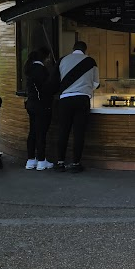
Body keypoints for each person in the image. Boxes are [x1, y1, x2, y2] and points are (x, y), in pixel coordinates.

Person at [55, 41, 99, 173]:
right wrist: (86, 88)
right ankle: (75, 163)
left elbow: (55, 80)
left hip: (65, 100)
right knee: (79, 133)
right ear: (85, 50)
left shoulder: (62, 60)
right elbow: (96, 83)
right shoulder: (90, 61)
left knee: (63, 131)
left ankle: (60, 162)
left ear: (73, 48)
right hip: (82, 99)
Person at [24, 48, 56, 171]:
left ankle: (31, 159)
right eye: (48, 58)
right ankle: (42, 160)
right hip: (42, 105)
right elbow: (46, 88)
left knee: (32, 131)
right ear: (45, 58)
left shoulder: (30, 69)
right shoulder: (42, 70)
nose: (48, 60)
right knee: (41, 133)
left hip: (31, 104)